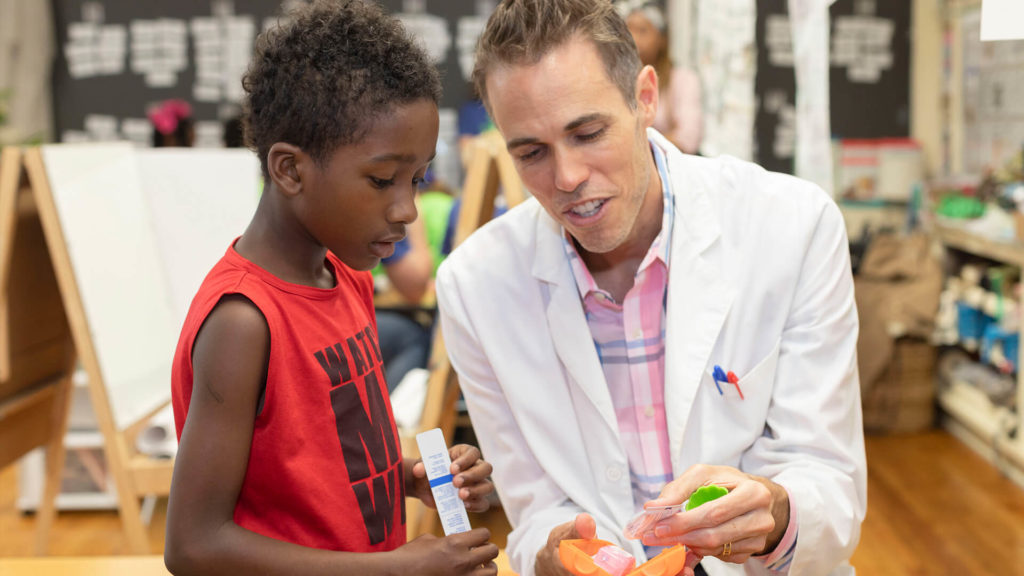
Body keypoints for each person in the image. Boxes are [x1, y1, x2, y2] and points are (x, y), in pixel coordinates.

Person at [435, 1, 866, 575]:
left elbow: (829, 485)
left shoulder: (792, 226)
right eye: (531, 152)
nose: (567, 178)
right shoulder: (475, 287)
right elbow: (533, 508)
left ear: (644, 98)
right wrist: (553, 554)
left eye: (588, 133)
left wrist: (775, 512)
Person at [165, 2, 499, 575]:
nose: (407, 209)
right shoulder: (243, 321)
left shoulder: (346, 278)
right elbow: (194, 545)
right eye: (381, 180)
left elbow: (321, 473)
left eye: (416, 179)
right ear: (290, 170)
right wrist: (397, 569)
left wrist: (408, 479)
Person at [616, 0, 702, 154]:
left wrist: (640, 145)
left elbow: (688, 138)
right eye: (629, 30)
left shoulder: (682, 80)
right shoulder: (617, 78)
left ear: (662, 39)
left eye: (642, 31)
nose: (634, 39)